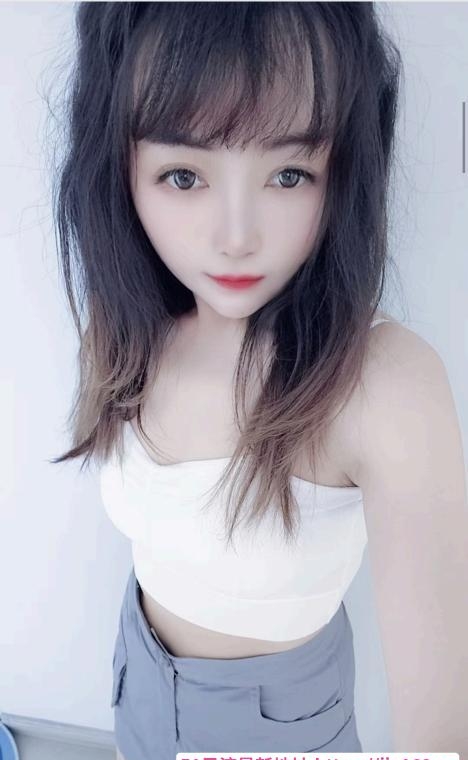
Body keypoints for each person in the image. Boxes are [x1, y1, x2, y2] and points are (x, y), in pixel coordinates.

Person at [49, 3, 468, 759]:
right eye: (184, 176)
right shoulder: (129, 328)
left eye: (288, 174)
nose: (236, 235)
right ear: (119, 169)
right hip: (136, 675)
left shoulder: (381, 385)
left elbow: (442, 737)